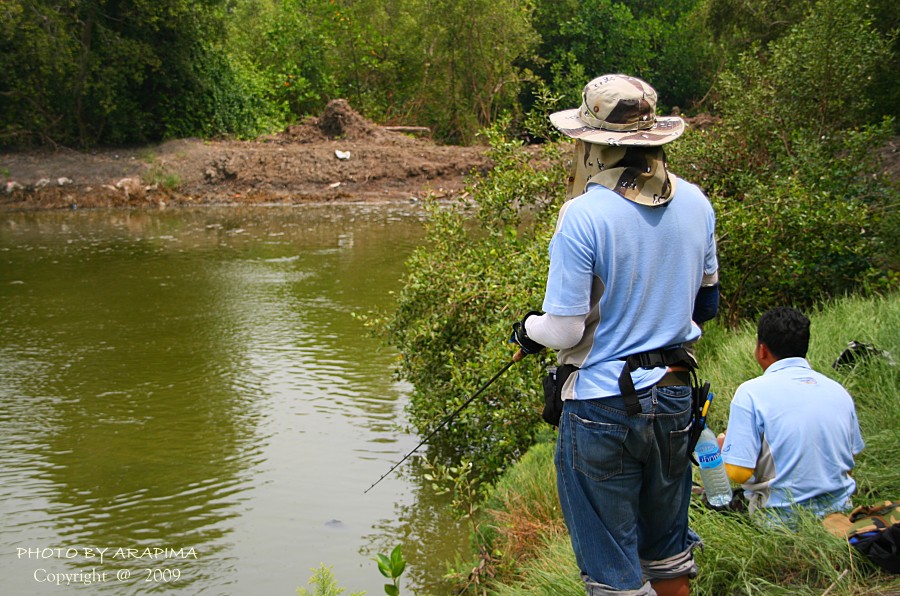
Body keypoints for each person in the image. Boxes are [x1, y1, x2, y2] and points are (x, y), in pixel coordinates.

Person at [510, 74, 719, 596]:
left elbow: (564, 328)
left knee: (613, 574)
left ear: (591, 144)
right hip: (674, 392)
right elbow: (707, 305)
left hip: (603, 407)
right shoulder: (697, 202)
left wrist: (525, 330)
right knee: (668, 554)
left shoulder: (582, 215)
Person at [719, 307, 865, 526]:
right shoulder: (837, 391)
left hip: (779, 521)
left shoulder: (751, 393)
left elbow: (738, 473)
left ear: (761, 350)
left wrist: (724, 447)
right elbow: (849, 462)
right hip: (839, 517)